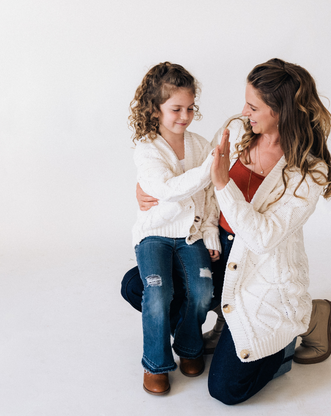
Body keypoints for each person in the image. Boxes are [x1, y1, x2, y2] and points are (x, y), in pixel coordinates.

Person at [122, 58, 331, 404]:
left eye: (253, 106)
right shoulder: (240, 130)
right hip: (214, 251)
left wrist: (225, 183)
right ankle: (219, 324)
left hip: (259, 270)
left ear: (281, 110)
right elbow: (201, 181)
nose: (244, 111)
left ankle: (300, 325)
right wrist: (150, 188)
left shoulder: (308, 170)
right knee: (138, 285)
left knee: (225, 389)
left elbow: (261, 235)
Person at [128, 62, 222, 396]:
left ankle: (189, 346)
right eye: (176, 109)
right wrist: (210, 167)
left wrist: (209, 231)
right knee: (157, 293)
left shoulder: (198, 145)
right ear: (155, 110)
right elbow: (168, 189)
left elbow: (208, 194)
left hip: (191, 235)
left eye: (190, 108)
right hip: (154, 234)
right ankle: (155, 363)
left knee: (202, 292)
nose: (184, 116)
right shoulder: (146, 148)